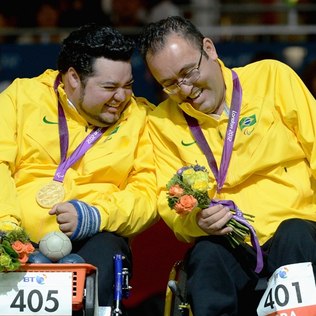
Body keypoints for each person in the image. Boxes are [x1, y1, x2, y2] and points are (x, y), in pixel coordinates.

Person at [138, 16, 316, 315]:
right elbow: (167, 198)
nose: (184, 89)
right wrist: (196, 221)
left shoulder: (272, 78)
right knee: (206, 255)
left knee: (294, 235)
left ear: (209, 49)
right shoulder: (161, 122)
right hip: (231, 238)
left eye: (188, 72)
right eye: (169, 83)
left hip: (296, 226)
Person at [0, 24, 158, 314]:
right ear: (73, 78)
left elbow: (148, 193)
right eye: (109, 88)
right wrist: (7, 228)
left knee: (107, 247)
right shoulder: (22, 96)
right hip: (14, 231)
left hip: (93, 238)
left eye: (128, 85)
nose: (122, 97)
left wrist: (96, 215)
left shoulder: (140, 118)